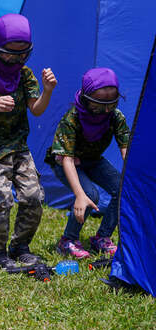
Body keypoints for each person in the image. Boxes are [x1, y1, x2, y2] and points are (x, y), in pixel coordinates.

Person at [0, 13, 57, 269]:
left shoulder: (25, 75)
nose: (15, 59)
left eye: (22, 54)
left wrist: (47, 91)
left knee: (33, 196)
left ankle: (20, 247)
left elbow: (36, 109)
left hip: (19, 147)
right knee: (1, 198)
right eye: (9, 54)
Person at [45, 68, 129, 258]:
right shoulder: (72, 119)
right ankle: (68, 240)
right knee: (90, 195)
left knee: (122, 188)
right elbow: (66, 159)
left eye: (111, 104)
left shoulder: (115, 117)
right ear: (85, 98)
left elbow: (126, 150)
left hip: (93, 160)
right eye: (99, 106)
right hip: (66, 162)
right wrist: (79, 195)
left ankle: (102, 238)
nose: (106, 110)